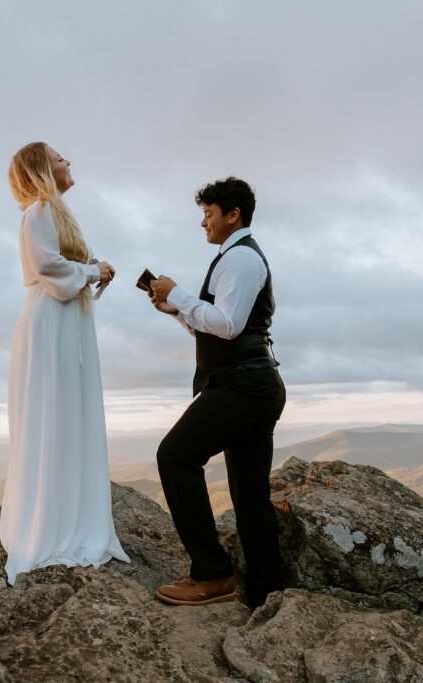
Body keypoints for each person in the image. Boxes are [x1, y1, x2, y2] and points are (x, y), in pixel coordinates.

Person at [148, 176, 286, 608]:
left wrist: (181, 294)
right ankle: (267, 590)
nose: (203, 223)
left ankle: (213, 573)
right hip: (251, 382)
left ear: (233, 215)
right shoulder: (234, 257)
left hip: (243, 385)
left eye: (208, 214)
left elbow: (227, 324)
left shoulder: (241, 260)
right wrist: (176, 310)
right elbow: (216, 324)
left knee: (175, 456)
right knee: (249, 493)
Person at [0, 141, 130, 585]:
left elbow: (67, 267)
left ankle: (67, 515)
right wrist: (93, 271)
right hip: (50, 323)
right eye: (59, 159)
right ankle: (48, 527)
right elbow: (52, 272)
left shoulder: (52, 214)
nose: (68, 162)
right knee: (52, 414)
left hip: (65, 321)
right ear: (41, 169)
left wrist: (96, 267)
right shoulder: (36, 212)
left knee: (67, 413)